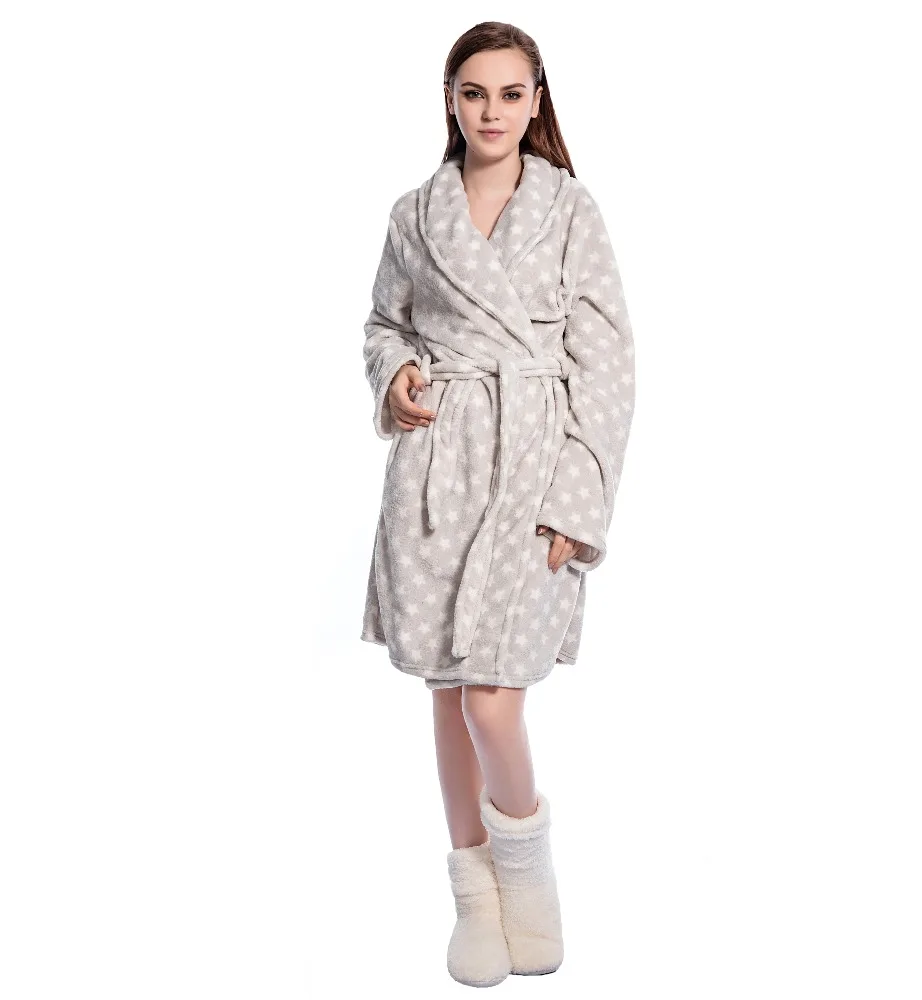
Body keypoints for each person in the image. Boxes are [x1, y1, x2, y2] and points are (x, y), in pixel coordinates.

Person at [359, 21, 635, 987]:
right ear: (450, 99)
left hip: (532, 473)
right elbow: (385, 323)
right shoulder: (414, 214)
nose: (492, 112)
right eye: (474, 93)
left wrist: (579, 501)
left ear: (536, 100)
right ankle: (475, 905)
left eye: (511, 94)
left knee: (494, 701)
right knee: (450, 695)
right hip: (438, 477)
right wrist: (397, 376)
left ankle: (528, 880)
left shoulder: (570, 210)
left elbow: (607, 362)